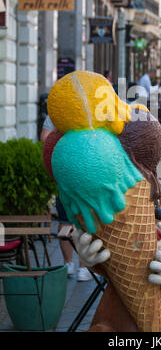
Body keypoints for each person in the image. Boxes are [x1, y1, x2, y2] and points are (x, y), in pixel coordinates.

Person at [40, 115, 94, 282]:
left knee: (80, 221)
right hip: (69, 172)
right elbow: (44, 137)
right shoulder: (60, 110)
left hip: (78, 172)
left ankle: (78, 266)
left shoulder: (85, 108)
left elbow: (45, 137)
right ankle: (72, 265)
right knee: (72, 220)